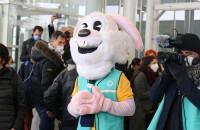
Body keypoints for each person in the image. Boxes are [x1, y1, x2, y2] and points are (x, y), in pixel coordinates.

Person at [148, 33, 200, 130]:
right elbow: (154, 97)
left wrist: (182, 78)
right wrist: (166, 74)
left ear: (198, 56)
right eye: (181, 54)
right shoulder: (173, 76)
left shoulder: (185, 77)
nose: (184, 57)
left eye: (188, 54)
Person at [30, 32, 65, 130]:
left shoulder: (47, 55)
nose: (62, 45)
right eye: (60, 43)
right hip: (45, 103)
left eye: (63, 43)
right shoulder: (50, 60)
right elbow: (46, 85)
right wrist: (51, 107)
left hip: (40, 99)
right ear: (52, 41)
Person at [44, 59, 78, 130]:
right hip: (86, 119)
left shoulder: (63, 74)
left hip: (66, 118)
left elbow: (48, 95)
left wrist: (57, 114)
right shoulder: (92, 75)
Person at [0, 43, 26, 130]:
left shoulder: (13, 77)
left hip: (8, 126)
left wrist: (16, 127)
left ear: (3, 60)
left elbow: (21, 105)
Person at [129, 56, 159, 130]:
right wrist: (154, 92)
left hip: (147, 110)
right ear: (148, 64)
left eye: (157, 63)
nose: (157, 65)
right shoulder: (141, 75)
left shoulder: (151, 75)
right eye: (154, 63)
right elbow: (140, 94)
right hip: (140, 111)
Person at [18, 47, 35, 130]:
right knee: (26, 117)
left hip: (36, 96)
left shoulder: (40, 64)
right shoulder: (25, 65)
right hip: (25, 95)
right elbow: (19, 79)